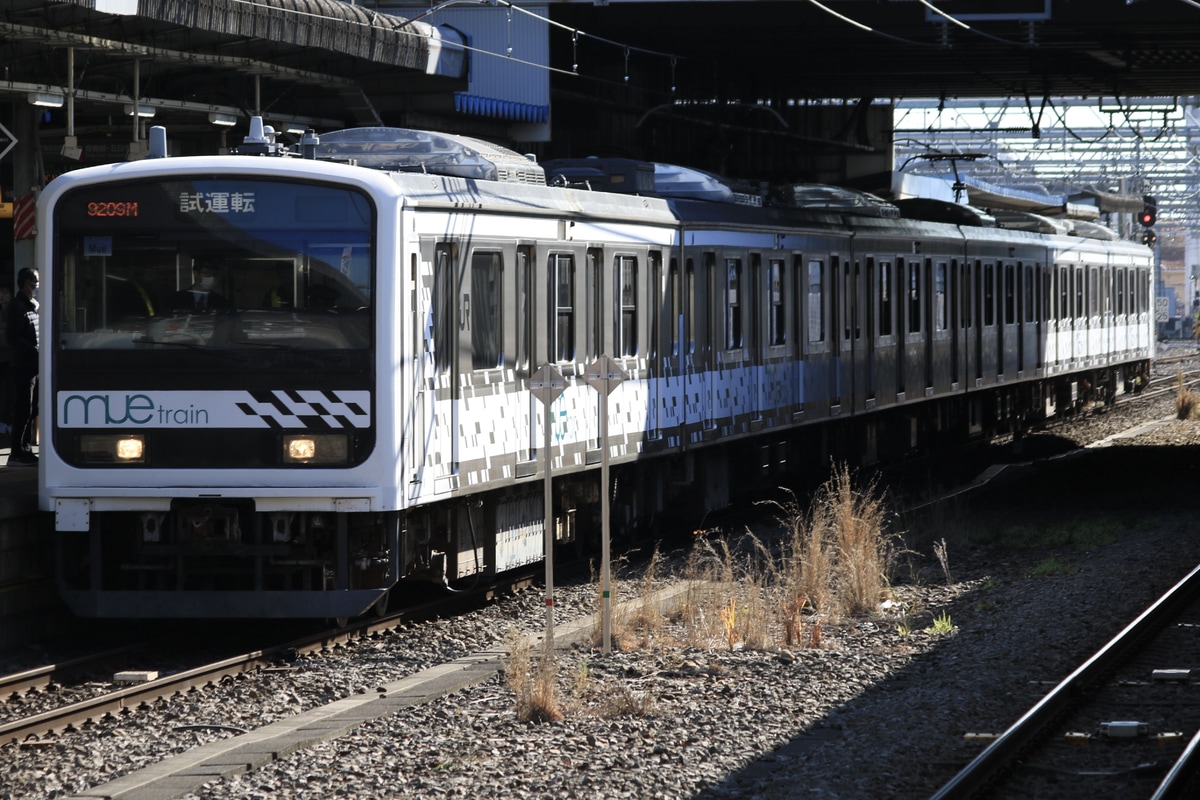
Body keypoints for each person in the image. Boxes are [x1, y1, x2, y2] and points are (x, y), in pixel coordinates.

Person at [7, 267, 39, 466]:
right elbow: (13, 336)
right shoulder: (18, 306)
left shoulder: (31, 306)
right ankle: (16, 451)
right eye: (34, 282)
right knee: (23, 409)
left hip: (32, 364)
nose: (36, 287)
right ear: (26, 284)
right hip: (23, 365)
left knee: (32, 409)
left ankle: (25, 449)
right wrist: (34, 349)